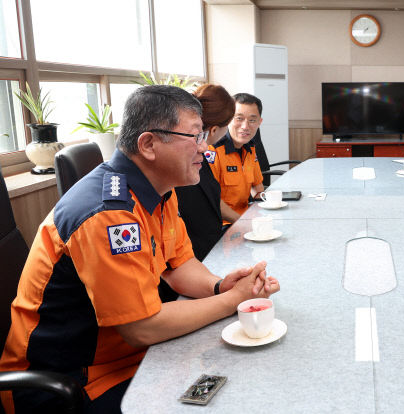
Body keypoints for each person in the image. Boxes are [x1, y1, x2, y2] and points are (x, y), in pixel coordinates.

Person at [0, 85, 280, 413]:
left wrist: (220, 286)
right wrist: (233, 300)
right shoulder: (109, 214)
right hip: (71, 380)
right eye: (195, 136)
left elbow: (179, 265)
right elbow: (142, 326)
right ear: (148, 144)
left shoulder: (160, 189)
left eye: (203, 135)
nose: (205, 149)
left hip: (132, 358)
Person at [175, 84, 235, 261]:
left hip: (209, 251)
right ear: (214, 130)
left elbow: (213, 202)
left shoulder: (198, 157)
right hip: (198, 259)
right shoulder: (186, 167)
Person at [208, 93, 265, 225]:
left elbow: (257, 187)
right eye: (239, 118)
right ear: (228, 119)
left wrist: (266, 209)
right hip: (223, 225)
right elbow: (213, 200)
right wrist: (244, 222)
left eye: (252, 120)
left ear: (259, 122)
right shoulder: (213, 151)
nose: (245, 126)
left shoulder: (250, 148)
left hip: (246, 218)